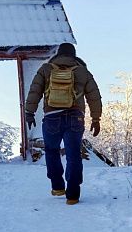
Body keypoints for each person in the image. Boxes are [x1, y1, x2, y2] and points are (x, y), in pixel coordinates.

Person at [25, 42, 102, 205]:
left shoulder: (46, 69)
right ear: (73, 55)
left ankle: (58, 186)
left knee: (52, 150)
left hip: (52, 117)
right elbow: (94, 96)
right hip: (75, 117)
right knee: (73, 154)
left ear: (58, 54)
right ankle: (73, 195)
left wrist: (29, 113)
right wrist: (96, 119)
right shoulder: (82, 71)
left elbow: (35, 90)